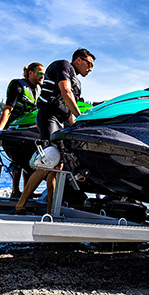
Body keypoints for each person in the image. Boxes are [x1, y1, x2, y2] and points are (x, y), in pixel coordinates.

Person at [13, 48, 95, 215]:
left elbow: (69, 110)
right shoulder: (64, 66)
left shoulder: (77, 83)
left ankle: (51, 210)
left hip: (61, 121)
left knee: (57, 166)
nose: (90, 69)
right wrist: (80, 118)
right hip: (48, 116)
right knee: (49, 160)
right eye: (89, 64)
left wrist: (76, 126)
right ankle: (20, 205)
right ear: (78, 60)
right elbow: (65, 92)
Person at [0, 62, 45, 198]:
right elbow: (8, 109)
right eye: (40, 73)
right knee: (17, 161)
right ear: (30, 73)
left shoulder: (38, 90)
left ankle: (26, 190)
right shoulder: (18, 86)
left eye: (44, 74)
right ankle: (15, 191)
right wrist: (1, 129)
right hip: (13, 129)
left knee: (29, 160)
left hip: (28, 130)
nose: (42, 77)